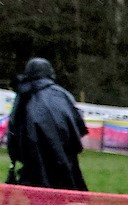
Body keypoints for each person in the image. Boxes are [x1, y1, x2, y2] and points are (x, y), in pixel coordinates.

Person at [5, 57, 88, 190]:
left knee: (38, 199)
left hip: (33, 162)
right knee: (60, 198)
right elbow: (78, 127)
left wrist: (15, 157)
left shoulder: (24, 95)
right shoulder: (63, 95)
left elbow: (13, 130)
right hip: (64, 162)